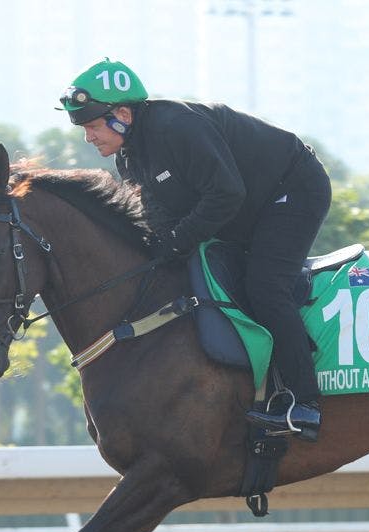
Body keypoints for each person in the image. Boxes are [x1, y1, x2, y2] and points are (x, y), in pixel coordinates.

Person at [59, 58, 332, 442]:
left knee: (265, 285)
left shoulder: (176, 127)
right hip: (247, 205)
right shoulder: (129, 158)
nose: (88, 137)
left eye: (91, 126)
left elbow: (226, 195)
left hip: (294, 187)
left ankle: (305, 404)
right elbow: (160, 223)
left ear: (122, 114)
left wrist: (174, 241)